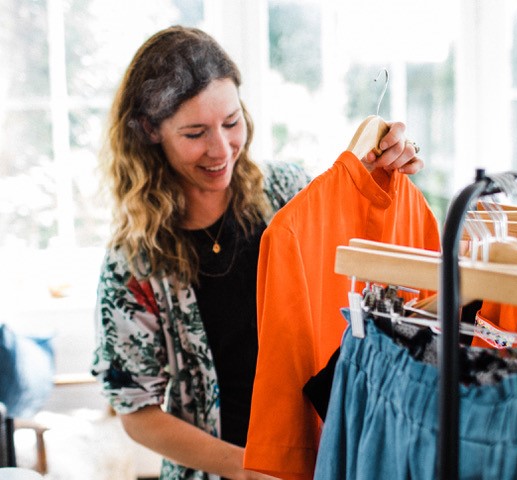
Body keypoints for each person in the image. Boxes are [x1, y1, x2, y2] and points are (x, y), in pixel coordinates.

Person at [91, 25, 424, 480]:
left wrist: (384, 171)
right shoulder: (134, 262)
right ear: (151, 130)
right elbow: (137, 412)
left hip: (322, 455)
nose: (221, 149)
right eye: (194, 133)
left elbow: (364, 253)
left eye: (231, 122)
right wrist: (247, 467)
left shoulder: (288, 192)